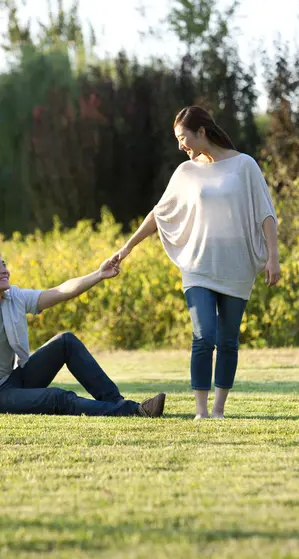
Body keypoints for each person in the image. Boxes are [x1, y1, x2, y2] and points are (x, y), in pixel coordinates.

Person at [110, 105, 280, 420]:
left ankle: (218, 409)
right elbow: (158, 214)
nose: (180, 146)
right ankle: (200, 411)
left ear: (201, 132)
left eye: (182, 137)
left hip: (236, 267)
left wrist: (273, 256)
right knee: (204, 335)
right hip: (198, 266)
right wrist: (126, 248)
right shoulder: (187, 172)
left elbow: (265, 214)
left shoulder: (245, 166)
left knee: (228, 340)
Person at [0, 244, 165, 418]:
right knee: (57, 398)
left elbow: (60, 291)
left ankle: (117, 403)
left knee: (65, 341)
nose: (4, 270)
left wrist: (98, 275)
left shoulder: (15, 298)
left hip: (14, 378)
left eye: (4, 265)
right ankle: (134, 411)